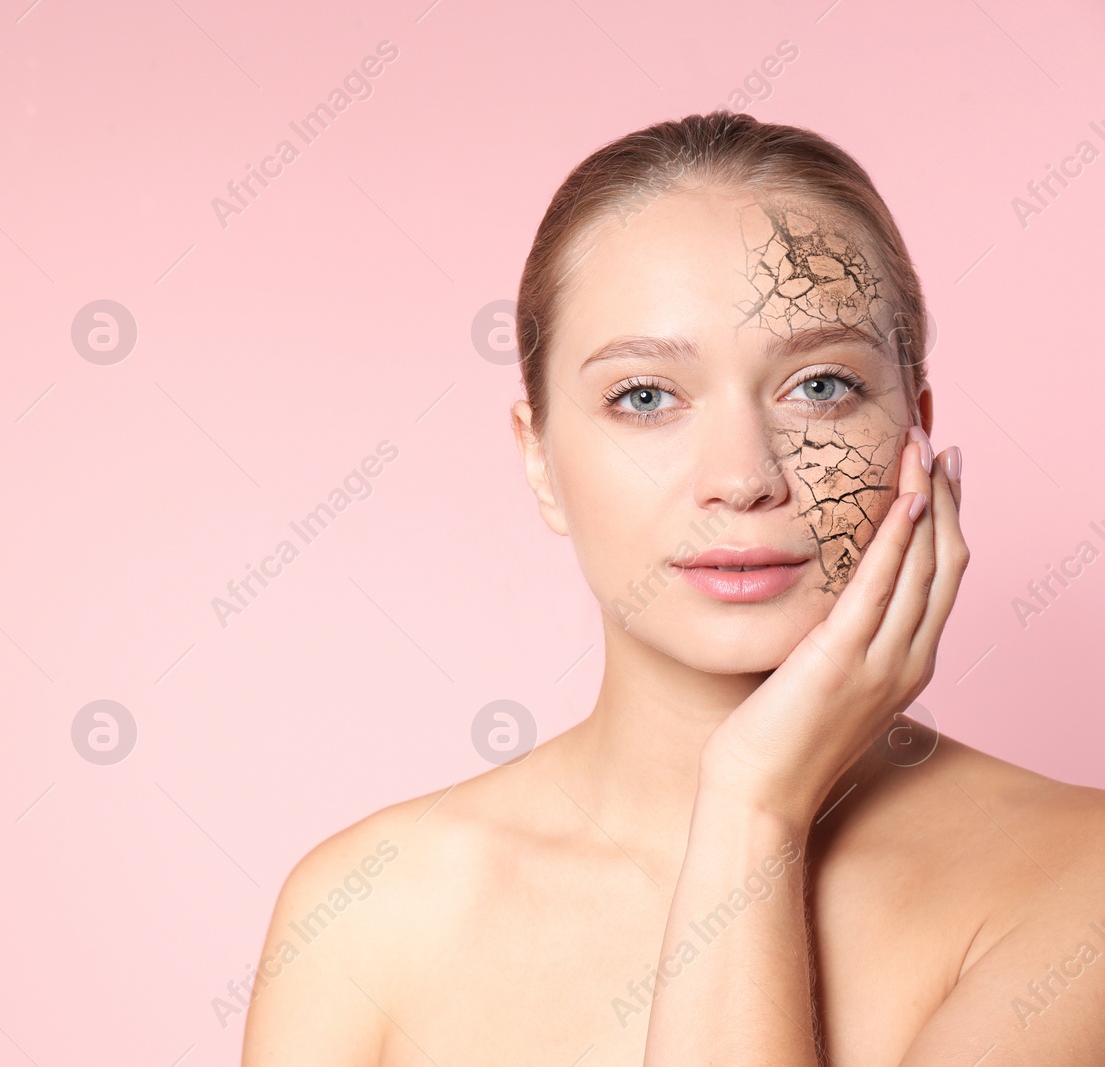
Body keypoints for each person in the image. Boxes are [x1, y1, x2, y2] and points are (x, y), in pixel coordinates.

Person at [240, 111, 1105, 1065]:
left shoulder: (1083, 881)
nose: (742, 476)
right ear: (538, 461)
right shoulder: (364, 919)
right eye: (645, 397)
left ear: (916, 431)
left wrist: (750, 806)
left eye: (820, 386)